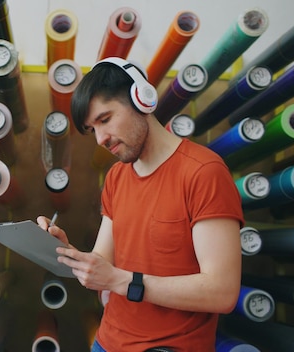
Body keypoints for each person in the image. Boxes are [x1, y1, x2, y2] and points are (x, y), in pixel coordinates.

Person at [37, 57, 244, 351]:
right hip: (107, 342)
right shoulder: (117, 177)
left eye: (105, 120)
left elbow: (221, 292)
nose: (100, 139)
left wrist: (124, 281)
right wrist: (65, 249)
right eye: (92, 129)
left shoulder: (204, 172)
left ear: (142, 99)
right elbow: (103, 265)